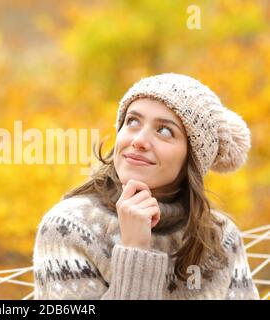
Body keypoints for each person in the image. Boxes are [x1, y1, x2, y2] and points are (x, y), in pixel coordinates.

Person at [32, 73, 260, 300]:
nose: (138, 140)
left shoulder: (221, 238)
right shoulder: (68, 227)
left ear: (192, 159)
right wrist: (135, 252)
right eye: (132, 121)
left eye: (164, 131)